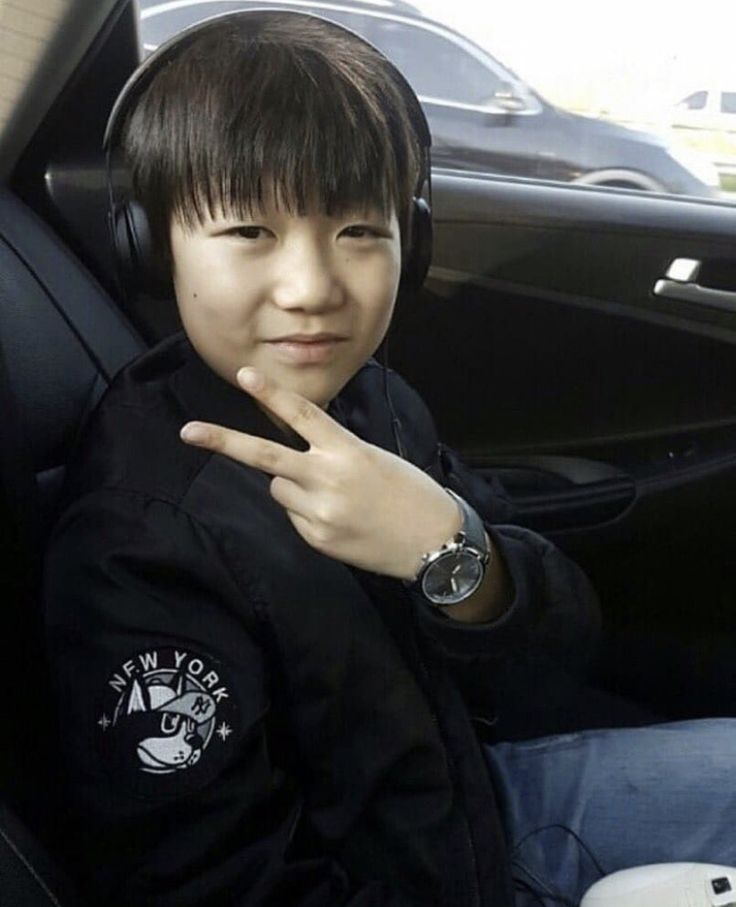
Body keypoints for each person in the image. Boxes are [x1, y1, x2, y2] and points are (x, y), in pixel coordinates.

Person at [42, 10, 736, 907]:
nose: (313, 288)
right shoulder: (140, 539)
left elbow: (557, 643)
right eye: (249, 232)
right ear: (148, 243)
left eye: (358, 231)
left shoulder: (373, 398)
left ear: (413, 242)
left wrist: (450, 551)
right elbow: (214, 886)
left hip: (480, 801)